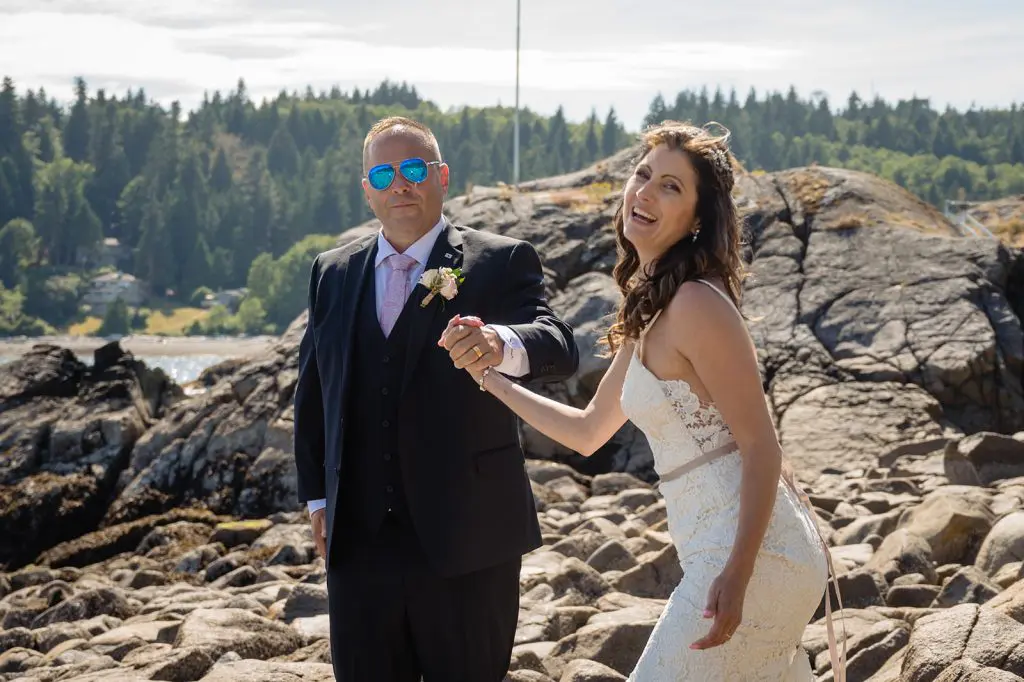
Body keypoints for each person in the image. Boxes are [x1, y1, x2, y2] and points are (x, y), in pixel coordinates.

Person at [441, 121, 846, 681]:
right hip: (720, 555)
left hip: (754, 560)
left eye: (671, 187)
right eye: (643, 174)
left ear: (699, 219)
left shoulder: (699, 305)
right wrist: (490, 377)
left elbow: (762, 447)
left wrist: (738, 572)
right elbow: (587, 431)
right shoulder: (652, 307)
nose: (645, 192)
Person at [291, 115, 579, 682]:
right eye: (384, 172)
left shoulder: (499, 260)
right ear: (366, 186)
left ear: (442, 177)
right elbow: (315, 392)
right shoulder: (332, 271)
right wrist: (318, 501)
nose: (401, 183)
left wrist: (501, 342)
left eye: (415, 168)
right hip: (359, 543)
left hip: (468, 539)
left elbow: (560, 344)